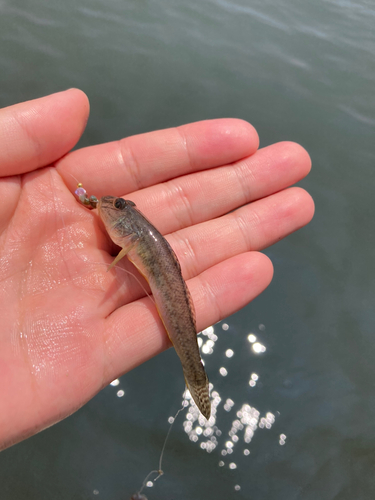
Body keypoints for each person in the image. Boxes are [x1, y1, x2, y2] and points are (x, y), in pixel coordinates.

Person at [0, 89, 314, 450]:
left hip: (170, 296)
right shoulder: (127, 234)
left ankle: (196, 378)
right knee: (184, 338)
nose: (110, 207)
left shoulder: (129, 236)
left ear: (130, 228)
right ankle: (196, 378)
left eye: (119, 206)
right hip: (165, 283)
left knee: (185, 345)